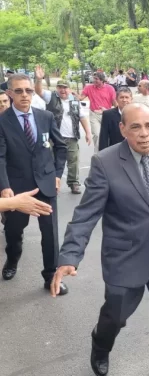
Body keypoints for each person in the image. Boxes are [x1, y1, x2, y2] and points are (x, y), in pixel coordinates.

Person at [51, 103, 149, 376]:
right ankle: (101, 343)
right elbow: (85, 215)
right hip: (125, 256)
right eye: (135, 127)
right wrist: (69, 257)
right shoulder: (106, 162)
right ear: (123, 129)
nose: (144, 133)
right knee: (116, 316)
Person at [0, 73, 68, 294]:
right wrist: (4, 186)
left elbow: (60, 147)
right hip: (17, 189)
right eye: (18, 91)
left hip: (47, 184)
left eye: (28, 90)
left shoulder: (45, 117)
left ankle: (50, 276)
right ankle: (12, 260)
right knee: (13, 231)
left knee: (50, 234)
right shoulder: (2, 121)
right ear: (9, 94)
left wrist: (57, 174)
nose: (24, 95)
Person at [34, 65, 92, 194]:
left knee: (74, 161)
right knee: (52, 161)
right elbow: (38, 91)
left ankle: (73, 183)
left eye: (65, 87)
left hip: (72, 136)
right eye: (60, 87)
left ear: (70, 89)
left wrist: (88, 133)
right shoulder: (51, 97)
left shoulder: (75, 101)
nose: (62, 90)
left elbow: (82, 117)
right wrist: (38, 79)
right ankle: (52, 182)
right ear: (57, 89)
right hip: (54, 137)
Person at [79, 72, 117, 151]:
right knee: (97, 134)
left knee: (108, 135)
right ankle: (98, 154)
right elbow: (80, 98)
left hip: (107, 114)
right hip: (94, 114)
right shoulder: (88, 88)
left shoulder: (110, 88)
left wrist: (118, 111)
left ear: (102, 80)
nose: (94, 80)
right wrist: (74, 96)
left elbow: (114, 102)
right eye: (94, 78)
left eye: (96, 79)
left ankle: (108, 153)